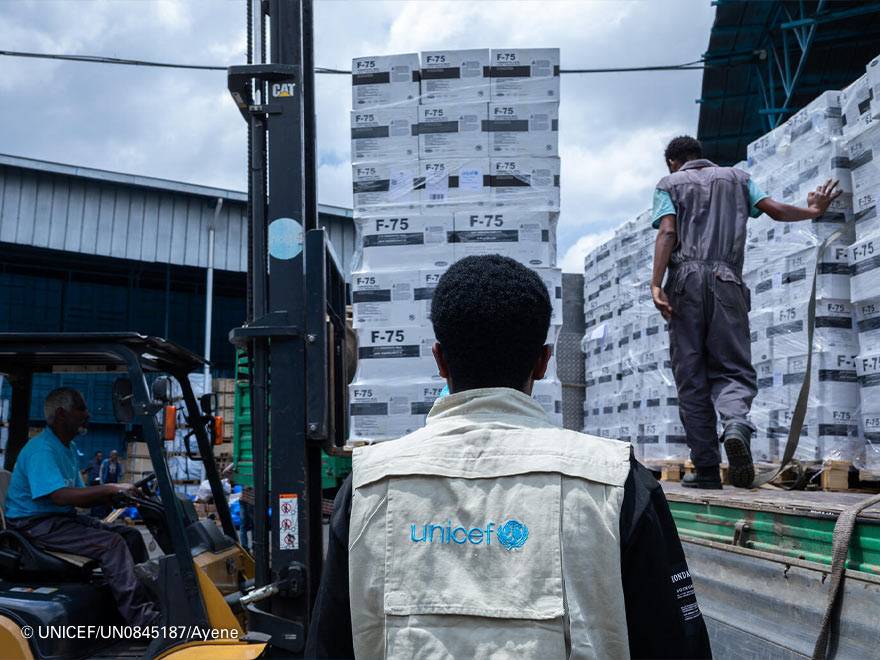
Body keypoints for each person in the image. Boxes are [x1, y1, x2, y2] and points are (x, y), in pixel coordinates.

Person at [306, 255, 711, 659]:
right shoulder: (615, 480)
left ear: (440, 360)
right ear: (543, 362)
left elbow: (329, 646)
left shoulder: (368, 486)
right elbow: (678, 644)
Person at [651, 136, 842, 489]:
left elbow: (667, 230)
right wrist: (814, 211)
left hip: (684, 285)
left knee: (691, 376)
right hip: (727, 282)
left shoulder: (668, 184)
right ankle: (736, 424)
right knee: (732, 367)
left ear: (672, 163)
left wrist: (655, 284)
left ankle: (707, 470)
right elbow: (774, 209)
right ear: (701, 156)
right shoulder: (738, 179)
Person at [4, 387, 159, 626]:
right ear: (61, 414)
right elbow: (60, 496)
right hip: (35, 525)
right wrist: (110, 489)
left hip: (58, 520)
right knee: (111, 544)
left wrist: (113, 494)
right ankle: (145, 622)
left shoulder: (65, 448)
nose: (87, 415)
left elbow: (79, 495)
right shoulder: (42, 450)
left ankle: (143, 604)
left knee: (130, 535)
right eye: (81, 409)